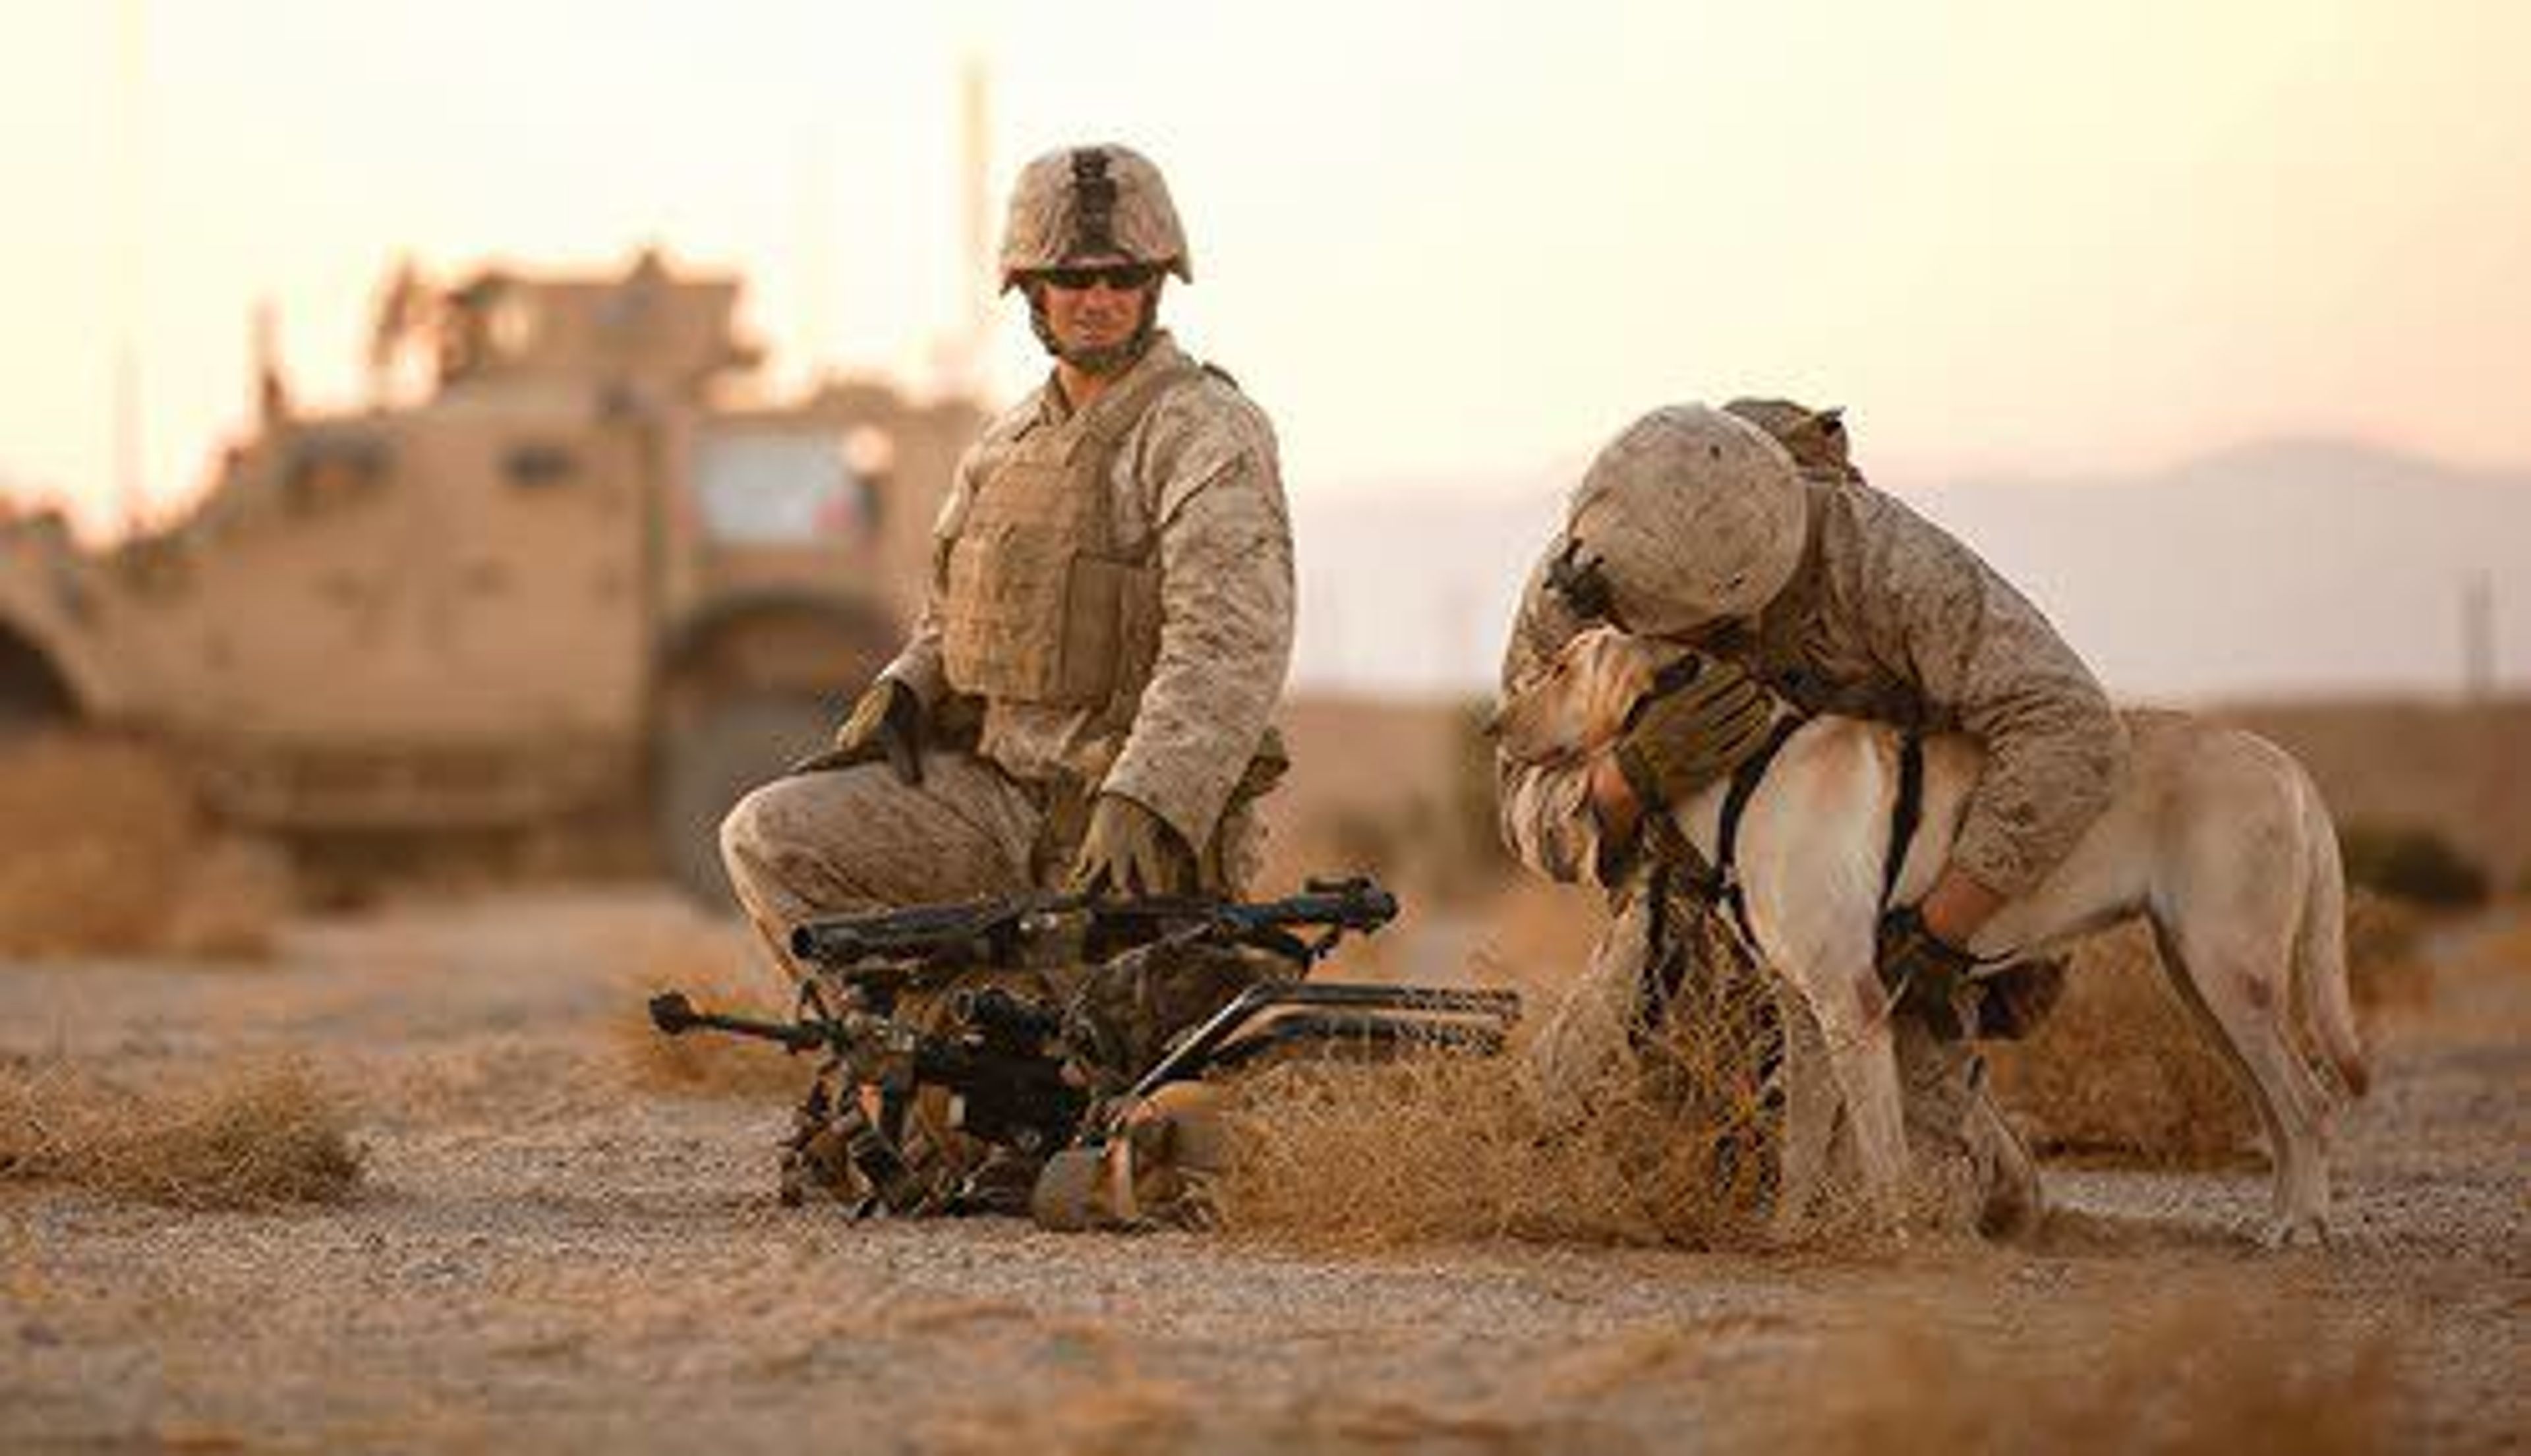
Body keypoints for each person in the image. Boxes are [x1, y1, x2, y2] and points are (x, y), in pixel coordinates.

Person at [1496, 399, 2127, 1235]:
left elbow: (2070, 727)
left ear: (1734, 600)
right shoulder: (1587, 582)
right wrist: (1625, 780)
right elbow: (1517, 800)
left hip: (1900, 917)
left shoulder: (1880, 560)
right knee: (1604, 1190)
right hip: (1694, 925)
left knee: (1896, 1209)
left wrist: (1939, 931)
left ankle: (1970, 1134)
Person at [720, 142, 1295, 983]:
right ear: (1031, 290)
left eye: (1121, 277)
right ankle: (899, 1060)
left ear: (1156, 284)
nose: (1096, 299)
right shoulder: (1005, 442)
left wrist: (1148, 795)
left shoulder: (1205, 430)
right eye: (1071, 278)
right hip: (993, 803)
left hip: (1129, 841)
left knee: (1121, 1049)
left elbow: (1229, 646)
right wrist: (910, 685)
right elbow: (952, 616)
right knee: (767, 834)